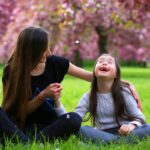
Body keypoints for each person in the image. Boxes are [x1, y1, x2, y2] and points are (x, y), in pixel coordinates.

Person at [1, 26, 93, 142]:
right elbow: (18, 113)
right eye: (42, 49)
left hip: (49, 128)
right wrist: (42, 95)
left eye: (47, 47)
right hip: (19, 127)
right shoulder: (12, 71)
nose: (48, 53)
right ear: (31, 51)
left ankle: (25, 143)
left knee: (73, 119)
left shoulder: (55, 63)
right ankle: (26, 141)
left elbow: (92, 77)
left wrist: (120, 81)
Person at [75, 53, 150, 144]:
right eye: (101, 61)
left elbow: (140, 118)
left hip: (128, 133)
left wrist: (131, 125)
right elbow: (73, 120)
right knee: (82, 130)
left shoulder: (124, 92)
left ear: (116, 75)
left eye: (110, 62)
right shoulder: (88, 97)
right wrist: (57, 103)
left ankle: (112, 143)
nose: (104, 63)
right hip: (103, 134)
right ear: (94, 72)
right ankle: (120, 143)